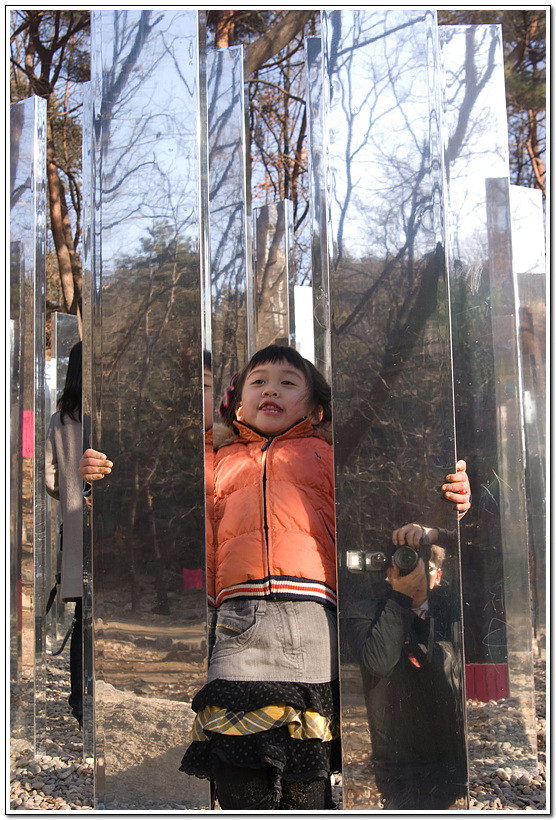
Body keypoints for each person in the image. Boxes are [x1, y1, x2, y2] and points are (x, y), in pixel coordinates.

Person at [345, 527, 468, 810]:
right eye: (406, 561)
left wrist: (435, 532)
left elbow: (486, 543)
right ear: (389, 572)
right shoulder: (365, 612)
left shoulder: (453, 612)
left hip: (449, 755)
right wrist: (399, 598)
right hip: (395, 760)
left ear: (439, 576)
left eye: (426, 564)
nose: (416, 569)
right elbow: (378, 662)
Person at [45, 341, 86, 728]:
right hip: (107, 525)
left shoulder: (59, 420)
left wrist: (68, 488)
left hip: (73, 528)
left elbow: (50, 481)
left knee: (82, 617)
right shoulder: (105, 413)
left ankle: (78, 703)